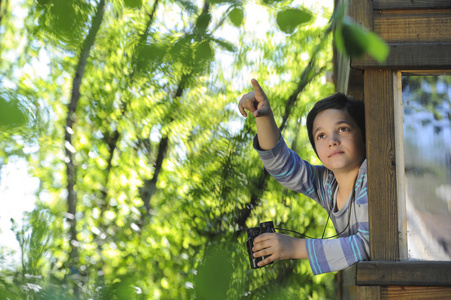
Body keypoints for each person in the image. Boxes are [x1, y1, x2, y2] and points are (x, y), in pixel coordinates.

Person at [238, 79, 369, 275]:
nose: (332, 141)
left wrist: (294, 247)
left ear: (364, 135)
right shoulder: (328, 184)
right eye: (321, 136)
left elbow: (368, 245)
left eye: (343, 129)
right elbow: (282, 166)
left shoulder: (372, 175)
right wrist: (262, 115)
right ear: (316, 148)